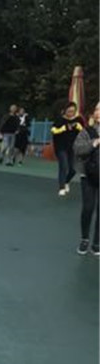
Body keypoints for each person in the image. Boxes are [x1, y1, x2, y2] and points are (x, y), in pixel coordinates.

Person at [73, 100, 99, 256]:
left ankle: (97, 242)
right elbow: (77, 149)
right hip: (88, 175)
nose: (97, 112)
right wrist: (93, 143)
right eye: (96, 109)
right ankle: (84, 239)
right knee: (88, 208)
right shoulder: (87, 131)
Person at [51, 101, 84, 197]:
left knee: (73, 169)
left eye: (73, 111)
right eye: (69, 111)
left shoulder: (78, 120)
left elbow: (84, 132)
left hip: (73, 147)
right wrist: (63, 128)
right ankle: (61, 187)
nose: (71, 113)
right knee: (63, 166)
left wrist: (79, 127)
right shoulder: (60, 119)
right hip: (61, 147)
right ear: (65, 111)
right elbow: (53, 130)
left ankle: (66, 181)